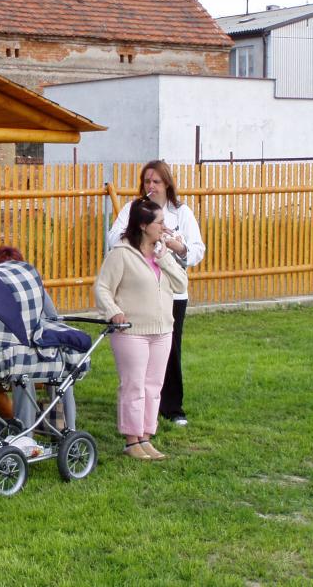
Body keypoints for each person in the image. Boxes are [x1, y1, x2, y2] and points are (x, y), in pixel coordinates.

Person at [106, 160, 205, 426]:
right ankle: (140, 406)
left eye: (156, 181)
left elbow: (197, 251)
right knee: (139, 350)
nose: (151, 186)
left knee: (169, 348)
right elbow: (113, 239)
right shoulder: (133, 209)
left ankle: (172, 407)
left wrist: (177, 246)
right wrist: (140, 236)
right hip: (139, 292)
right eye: (147, 181)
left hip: (171, 293)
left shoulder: (181, 213)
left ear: (167, 184)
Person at [95, 198, 188, 460]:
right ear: (144, 226)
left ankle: (146, 436)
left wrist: (165, 257)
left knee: (153, 386)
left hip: (162, 330)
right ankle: (131, 441)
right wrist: (113, 312)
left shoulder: (162, 253)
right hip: (131, 332)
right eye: (160, 222)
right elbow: (102, 287)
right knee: (133, 385)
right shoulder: (121, 254)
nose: (165, 227)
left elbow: (181, 285)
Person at [0, 245, 76, 431]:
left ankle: (57, 430)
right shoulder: (31, 287)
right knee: (38, 373)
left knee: (53, 373)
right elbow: (54, 319)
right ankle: (51, 431)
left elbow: (52, 318)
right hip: (13, 356)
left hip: (23, 352)